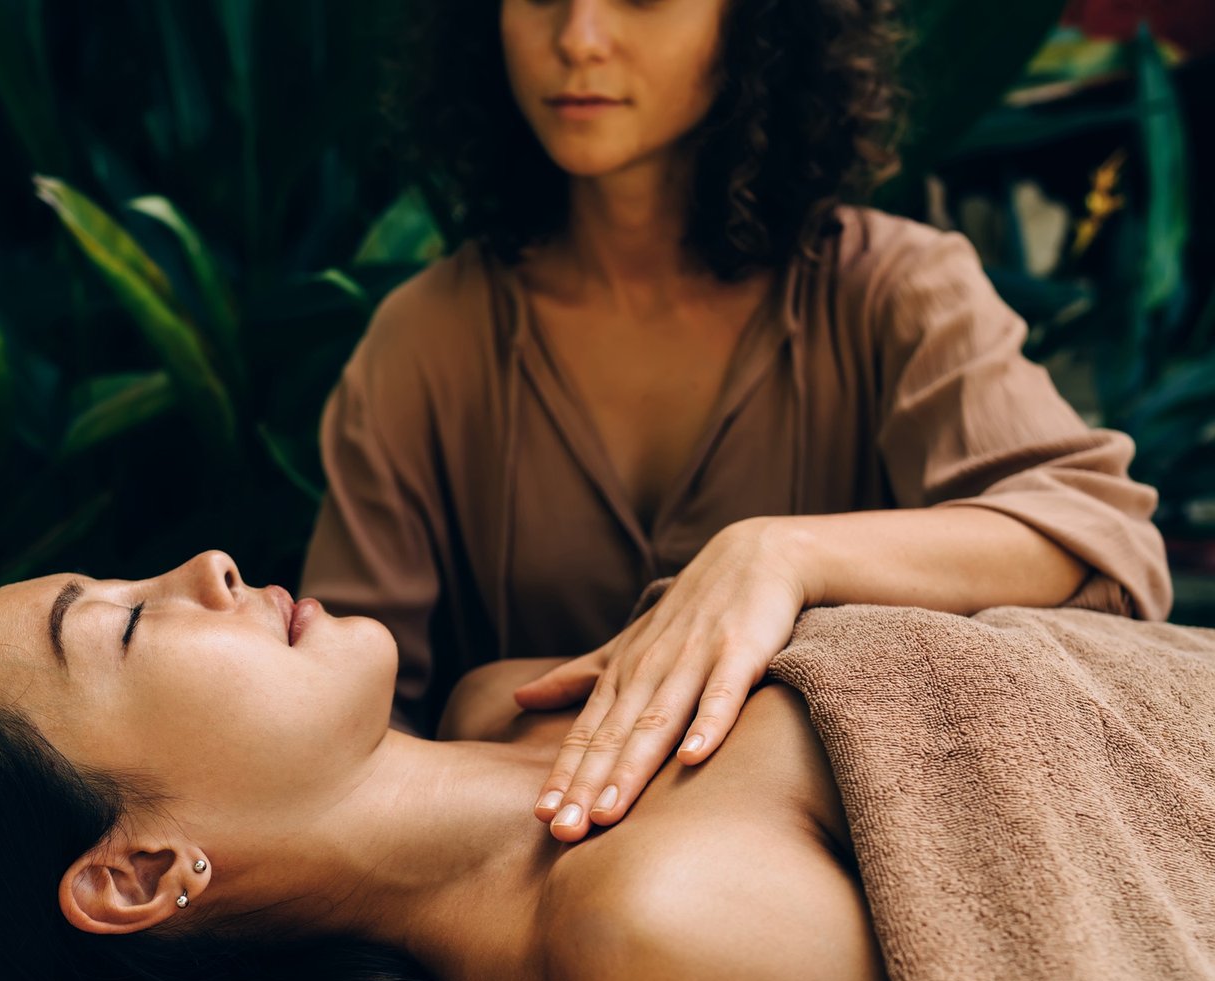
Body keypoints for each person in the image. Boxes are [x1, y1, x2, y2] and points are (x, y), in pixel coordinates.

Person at [300, 0, 1173, 844]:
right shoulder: (426, 337)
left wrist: (782, 557)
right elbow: (329, 734)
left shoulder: (892, 292)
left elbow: (1101, 540)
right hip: (507, 907)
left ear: (760, 21)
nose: (579, 36)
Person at [0, 552, 913, 981]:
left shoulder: (513, 703)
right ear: (138, 871)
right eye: (129, 626)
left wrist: (786, 551)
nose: (207, 565)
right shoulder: (648, 934)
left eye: (131, 577)